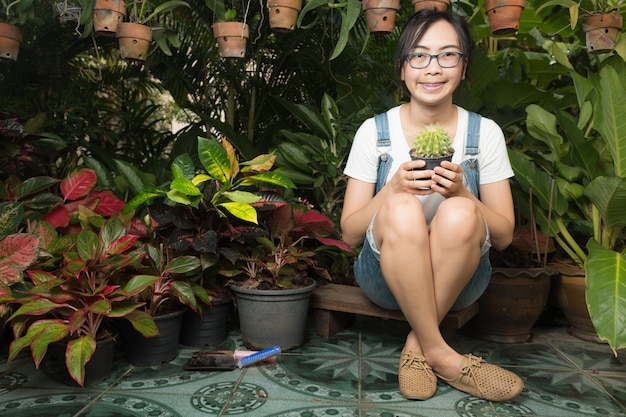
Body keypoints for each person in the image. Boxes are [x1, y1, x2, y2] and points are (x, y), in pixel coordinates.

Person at [340, 10, 523, 402]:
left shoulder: (484, 134)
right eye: (419, 56)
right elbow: (350, 233)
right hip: (385, 281)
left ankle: (417, 347)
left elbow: (504, 236)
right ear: (402, 68)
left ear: (463, 66)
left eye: (447, 55)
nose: (432, 69)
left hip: (461, 281)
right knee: (402, 208)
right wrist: (391, 191)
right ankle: (442, 353)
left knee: (460, 211)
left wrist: (462, 193)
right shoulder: (374, 132)